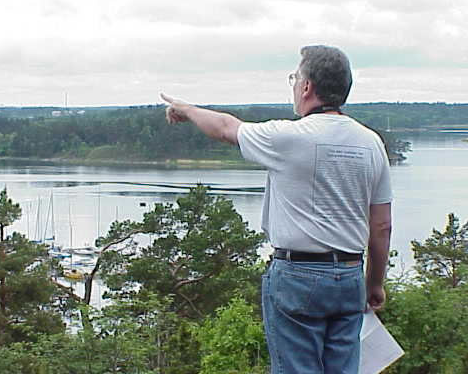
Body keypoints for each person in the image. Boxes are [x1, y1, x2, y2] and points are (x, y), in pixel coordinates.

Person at [161, 45, 392, 374]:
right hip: (350, 275)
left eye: (295, 78)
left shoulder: (288, 137)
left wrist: (186, 109)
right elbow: (381, 225)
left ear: (307, 87)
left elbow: (226, 127)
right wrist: (374, 283)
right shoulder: (371, 143)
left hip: (298, 277)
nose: (294, 85)